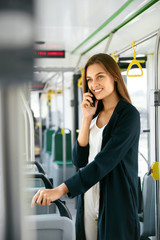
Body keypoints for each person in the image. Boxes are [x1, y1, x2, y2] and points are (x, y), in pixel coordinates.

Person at [31, 53, 140, 240]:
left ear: (114, 76)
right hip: (88, 198)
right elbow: (79, 159)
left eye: (100, 77)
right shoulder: (94, 114)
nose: (94, 84)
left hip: (115, 202)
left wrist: (61, 189)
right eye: (89, 79)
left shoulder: (128, 115)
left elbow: (103, 162)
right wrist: (86, 118)